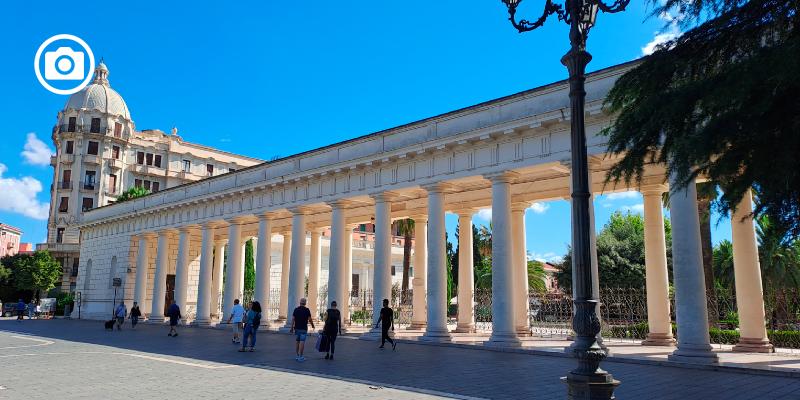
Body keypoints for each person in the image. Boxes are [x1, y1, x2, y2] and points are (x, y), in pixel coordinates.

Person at [289, 297, 314, 362]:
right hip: (303, 328)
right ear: (305, 303)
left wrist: (291, 327)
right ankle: (301, 356)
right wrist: (312, 325)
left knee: (297, 341)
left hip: (297, 328)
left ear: (300, 302)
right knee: (302, 342)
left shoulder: (296, 309)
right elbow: (310, 319)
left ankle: (297, 355)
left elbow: (293, 319)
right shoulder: (307, 310)